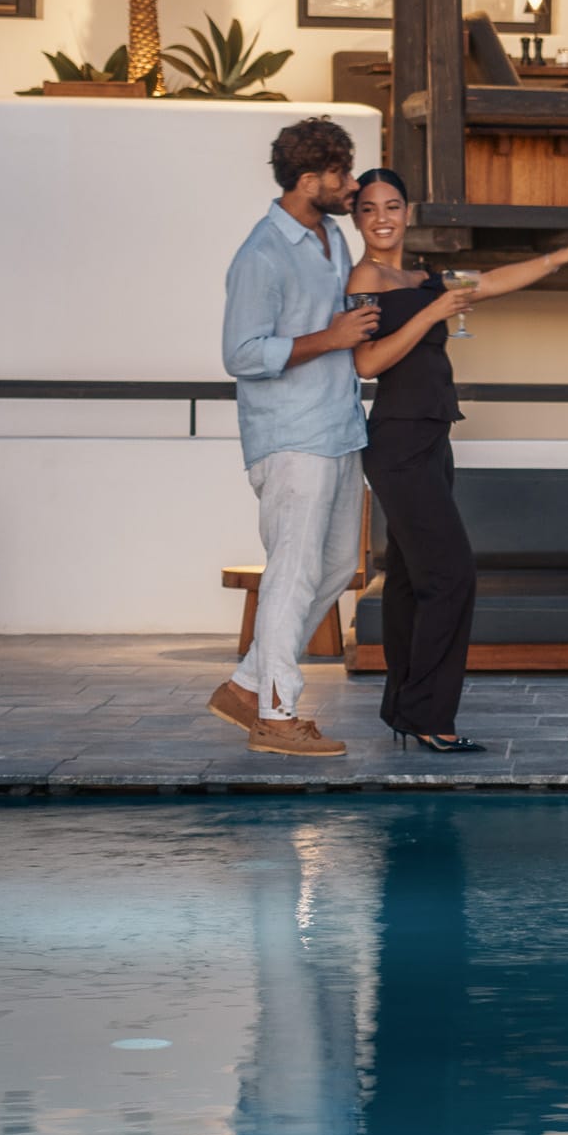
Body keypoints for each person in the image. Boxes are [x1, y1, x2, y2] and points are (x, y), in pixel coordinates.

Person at [345, 171, 568, 753]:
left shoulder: (423, 277)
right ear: (358, 218)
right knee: (451, 575)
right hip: (397, 440)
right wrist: (432, 310)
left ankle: (403, 707)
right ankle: (428, 716)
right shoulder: (366, 278)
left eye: (392, 205)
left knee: (414, 580)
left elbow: (490, 282)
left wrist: (565, 255)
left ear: (408, 212)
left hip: (433, 439)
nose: (382, 217)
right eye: (369, 209)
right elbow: (367, 362)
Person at [216, 116, 377, 756]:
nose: (351, 183)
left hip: (340, 428)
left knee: (336, 567)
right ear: (309, 180)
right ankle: (277, 716)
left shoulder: (332, 237)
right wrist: (332, 338)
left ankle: (249, 683)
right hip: (289, 438)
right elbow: (242, 352)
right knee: (294, 569)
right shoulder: (261, 254)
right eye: (340, 173)